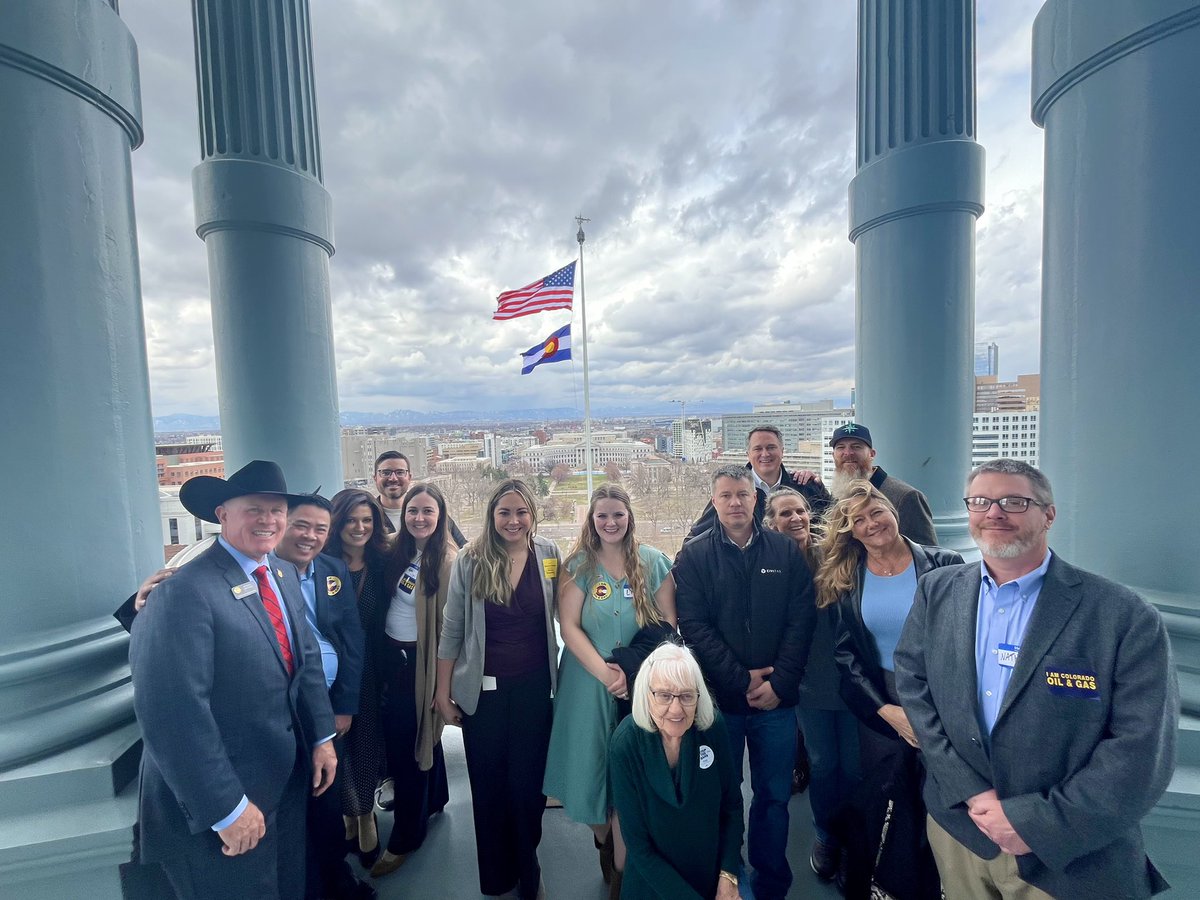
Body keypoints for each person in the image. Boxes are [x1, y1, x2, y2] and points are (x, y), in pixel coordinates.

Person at [894, 459, 1179, 899]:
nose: (994, 512)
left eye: (1013, 501)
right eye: (981, 501)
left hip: (1067, 854)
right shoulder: (939, 590)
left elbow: (1141, 750)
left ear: (1049, 514)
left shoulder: (1123, 616)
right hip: (960, 830)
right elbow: (915, 686)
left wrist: (1036, 823)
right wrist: (970, 793)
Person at [115, 492, 374, 900]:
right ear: (222, 514)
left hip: (285, 782)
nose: (267, 520)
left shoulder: (281, 574)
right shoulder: (181, 590)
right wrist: (227, 809)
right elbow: (173, 714)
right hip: (227, 800)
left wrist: (322, 738)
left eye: (276, 511)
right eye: (254, 509)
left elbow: (303, 664)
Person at [674, 464, 817, 900]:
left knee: (774, 798)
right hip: (720, 703)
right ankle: (728, 881)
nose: (735, 503)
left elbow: (801, 619)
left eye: (743, 494)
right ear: (714, 501)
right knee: (722, 796)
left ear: (756, 500)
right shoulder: (694, 556)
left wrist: (780, 684)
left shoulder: (784, 552)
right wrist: (739, 680)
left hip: (777, 703)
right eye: (726, 496)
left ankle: (772, 885)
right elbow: (693, 626)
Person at [816, 480, 961, 899]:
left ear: (893, 512)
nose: (870, 524)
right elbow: (846, 657)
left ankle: (939, 881)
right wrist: (887, 711)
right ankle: (887, 879)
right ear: (850, 532)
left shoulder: (943, 563)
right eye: (857, 520)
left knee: (941, 793)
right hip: (881, 697)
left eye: (875, 512)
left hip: (940, 698)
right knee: (888, 796)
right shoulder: (846, 577)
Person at [542, 484, 677, 897]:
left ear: (629, 516)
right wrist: (606, 674)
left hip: (642, 685)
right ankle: (603, 840)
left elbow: (669, 627)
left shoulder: (654, 562)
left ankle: (623, 870)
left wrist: (631, 672)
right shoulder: (579, 565)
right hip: (586, 683)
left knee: (629, 783)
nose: (610, 522)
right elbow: (568, 626)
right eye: (602, 515)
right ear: (591, 520)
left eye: (618, 514)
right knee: (587, 773)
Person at [435, 479, 561, 900]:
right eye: (504, 512)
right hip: (483, 694)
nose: (513, 520)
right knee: (488, 787)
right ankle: (499, 876)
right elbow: (452, 629)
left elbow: (571, 612)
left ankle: (530, 868)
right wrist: (442, 691)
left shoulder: (549, 555)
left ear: (532, 515)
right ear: (492, 515)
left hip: (534, 690)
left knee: (528, 788)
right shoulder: (471, 559)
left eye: (521, 512)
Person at [762, 487, 861, 883]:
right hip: (809, 686)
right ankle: (826, 835)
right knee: (823, 765)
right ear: (771, 523)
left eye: (802, 510)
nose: (797, 518)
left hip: (852, 682)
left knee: (854, 769)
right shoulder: (769, 566)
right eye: (786, 513)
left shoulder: (831, 558)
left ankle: (856, 835)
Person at [368, 483, 457, 878]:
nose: (419, 518)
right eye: (412, 511)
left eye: (427, 512)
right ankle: (435, 798)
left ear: (440, 518)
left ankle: (406, 836)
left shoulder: (448, 562)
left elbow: (453, 631)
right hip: (392, 657)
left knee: (409, 748)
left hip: (420, 664)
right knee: (421, 737)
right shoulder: (396, 550)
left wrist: (443, 687)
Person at [609, 642, 743, 900]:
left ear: (698, 696)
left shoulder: (712, 727)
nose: (676, 709)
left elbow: (732, 807)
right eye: (664, 695)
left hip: (711, 879)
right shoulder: (625, 745)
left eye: (686, 696)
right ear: (647, 696)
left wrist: (728, 875)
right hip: (652, 886)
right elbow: (638, 847)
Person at [326, 488, 391, 868]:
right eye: (351, 519)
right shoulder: (320, 563)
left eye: (367, 520)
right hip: (332, 670)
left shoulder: (383, 562)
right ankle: (349, 814)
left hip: (373, 668)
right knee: (337, 747)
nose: (359, 527)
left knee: (367, 742)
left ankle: (365, 814)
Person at [685, 424, 830, 540]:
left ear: (782, 451)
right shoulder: (732, 493)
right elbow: (696, 539)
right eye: (758, 449)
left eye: (771, 447)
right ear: (748, 454)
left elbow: (832, 528)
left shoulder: (805, 486)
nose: (765, 454)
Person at [828, 423, 937, 546]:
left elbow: (927, 554)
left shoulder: (906, 496)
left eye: (856, 447)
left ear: (872, 454)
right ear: (833, 455)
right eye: (841, 447)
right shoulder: (839, 491)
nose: (848, 453)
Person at [373, 450, 467, 546]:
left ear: (409, 477)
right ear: (375, 478)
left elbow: (465, 550)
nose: (393, 478)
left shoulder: (431, 510)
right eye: (385, 473)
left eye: (400, 472)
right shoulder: (369, 518)